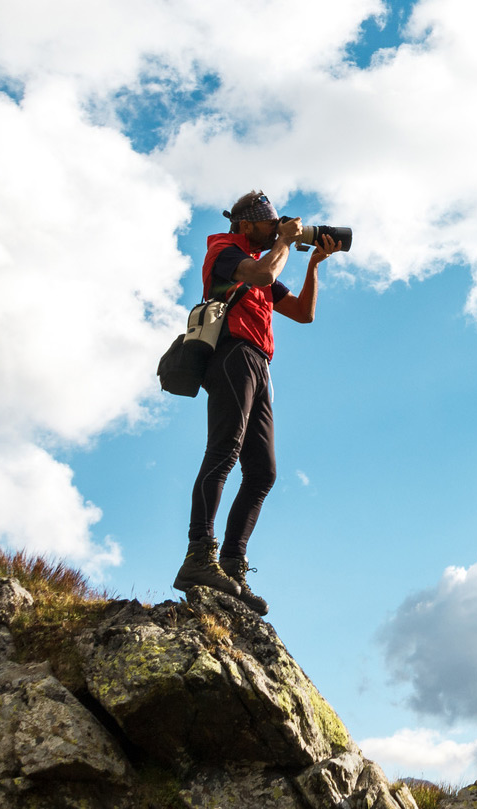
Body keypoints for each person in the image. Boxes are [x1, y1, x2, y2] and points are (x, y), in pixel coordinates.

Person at [174, 190, 338, 615]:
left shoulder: (262, 260)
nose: (275, 228)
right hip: (233, 356)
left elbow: (304, 313)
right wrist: (286, 240)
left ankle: (230, 565)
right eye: (268, 223)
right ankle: (198, 557)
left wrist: (314, 265)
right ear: (246, 224)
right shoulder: (227, 251)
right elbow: (263, 276)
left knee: (262, 472)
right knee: (224, 452)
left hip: (259, 363)